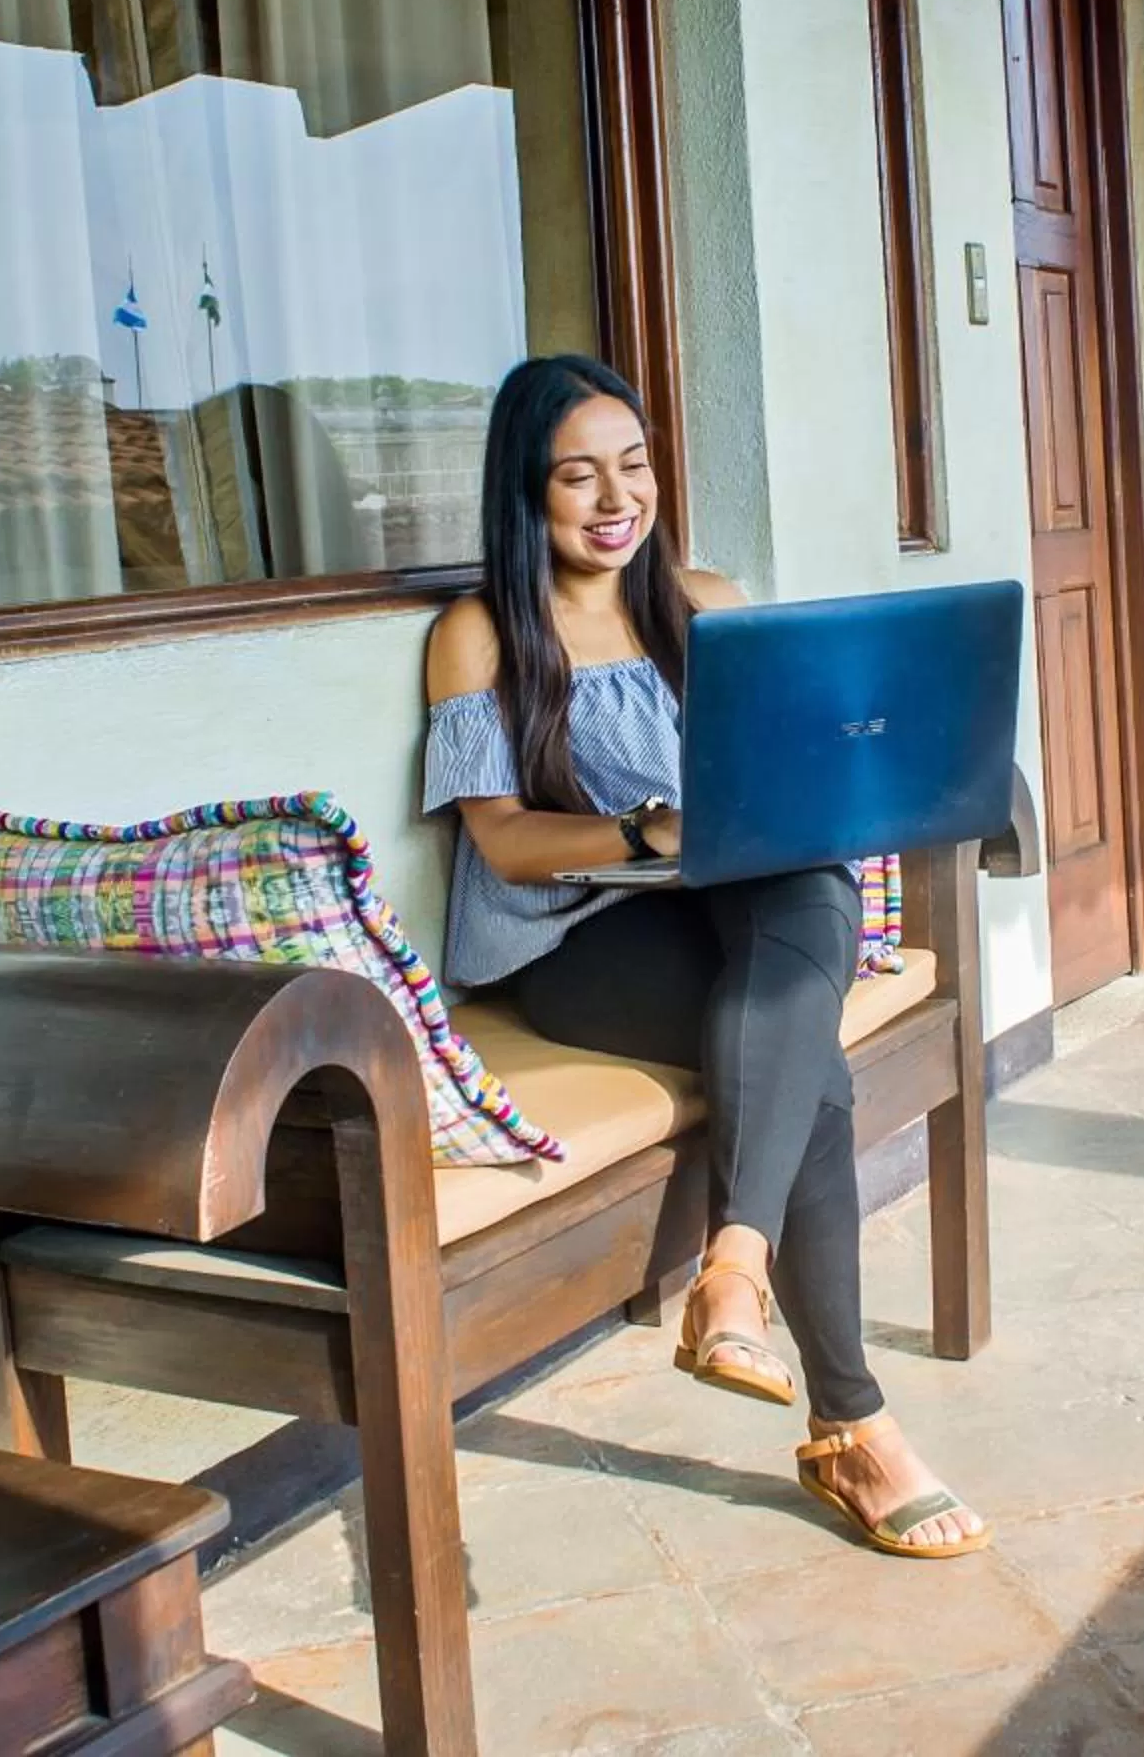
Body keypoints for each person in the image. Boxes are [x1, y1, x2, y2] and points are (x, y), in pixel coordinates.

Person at [421, 354, 988, 1561]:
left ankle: (736, 1268)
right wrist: (643, 829)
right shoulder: (481, 634)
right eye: (577, 475)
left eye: (633, 466)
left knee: (807, 883)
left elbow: (797, 772)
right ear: (525, 494)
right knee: (810, 1071)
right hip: (572, 941)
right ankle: (851, 1423)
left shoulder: (709, 602)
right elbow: (506, 845)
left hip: (730, 904)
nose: (614, 498)